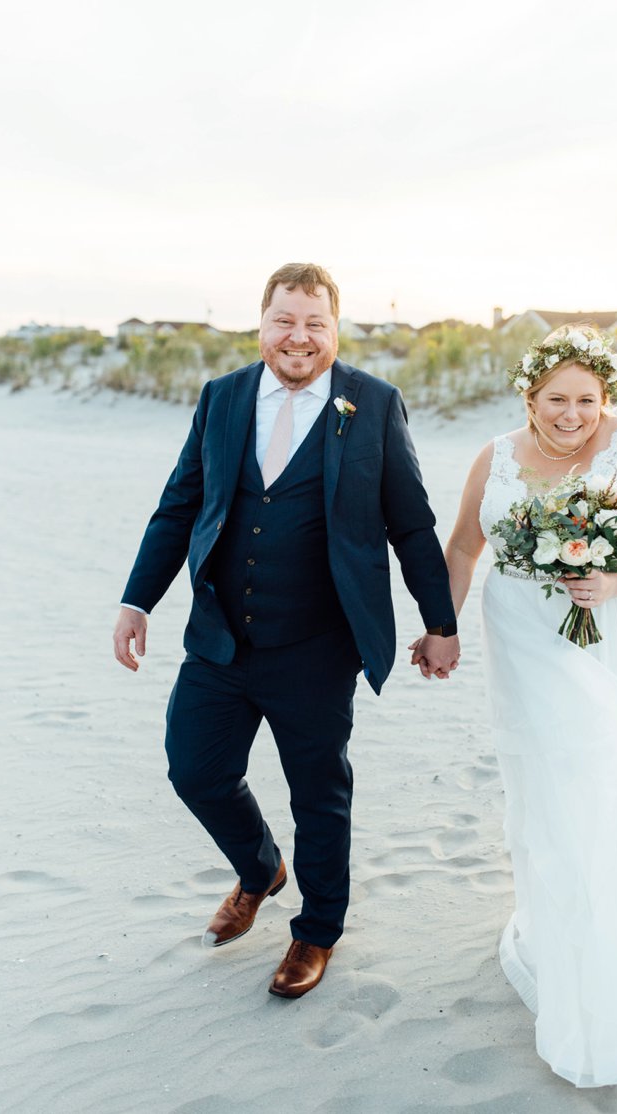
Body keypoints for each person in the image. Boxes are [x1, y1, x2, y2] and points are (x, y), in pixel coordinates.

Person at [112, 263, 459, 999]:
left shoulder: (373, 403)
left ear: (336, 330)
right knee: (194, 769)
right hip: (220, 639)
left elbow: (413, 524)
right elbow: (179, 506)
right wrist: (137, 600)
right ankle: (259, 868)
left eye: (315, 323)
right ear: (261, 324)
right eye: (284, 321)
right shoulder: (222, 397)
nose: (298, 337)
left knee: (319, 795)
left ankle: (316, 931)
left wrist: (440, 623)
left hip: (317, 646)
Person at [425, 323, 617, 1087]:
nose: (571, 414)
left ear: (606, 395)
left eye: (586, 399)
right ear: (529, 395)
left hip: (610, 631)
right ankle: (581, 945)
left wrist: (610, 582)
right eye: (556, 398)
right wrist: (442, 626)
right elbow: (463, 547)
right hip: (522, 638)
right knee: (557, 788)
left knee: (614, 774)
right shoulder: (494, 455)